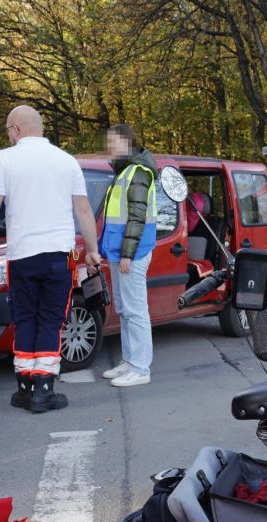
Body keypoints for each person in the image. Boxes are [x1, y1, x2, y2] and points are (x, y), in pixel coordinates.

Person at [0, 106, 102, 413]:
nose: (9, 136)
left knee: (24, 319)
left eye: (8, 131)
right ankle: (44, 390)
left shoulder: (6, 158)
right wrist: (93, 249)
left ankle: (25, 388)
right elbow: (83, 210)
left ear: (15, 129)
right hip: (58, 256)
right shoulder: (66, 161)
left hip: (22, 258)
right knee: (50, 320)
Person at [99, 123, 157, 388]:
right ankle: (130, 361)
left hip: (131, 252)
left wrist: (127, 255)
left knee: (135, 311)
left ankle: (140, 368)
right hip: (120, 251)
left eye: (112, 141)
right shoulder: (126, 170)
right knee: (124, 310)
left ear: (126, 141)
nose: (108, 146)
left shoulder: (138, 171)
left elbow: (137, 216)